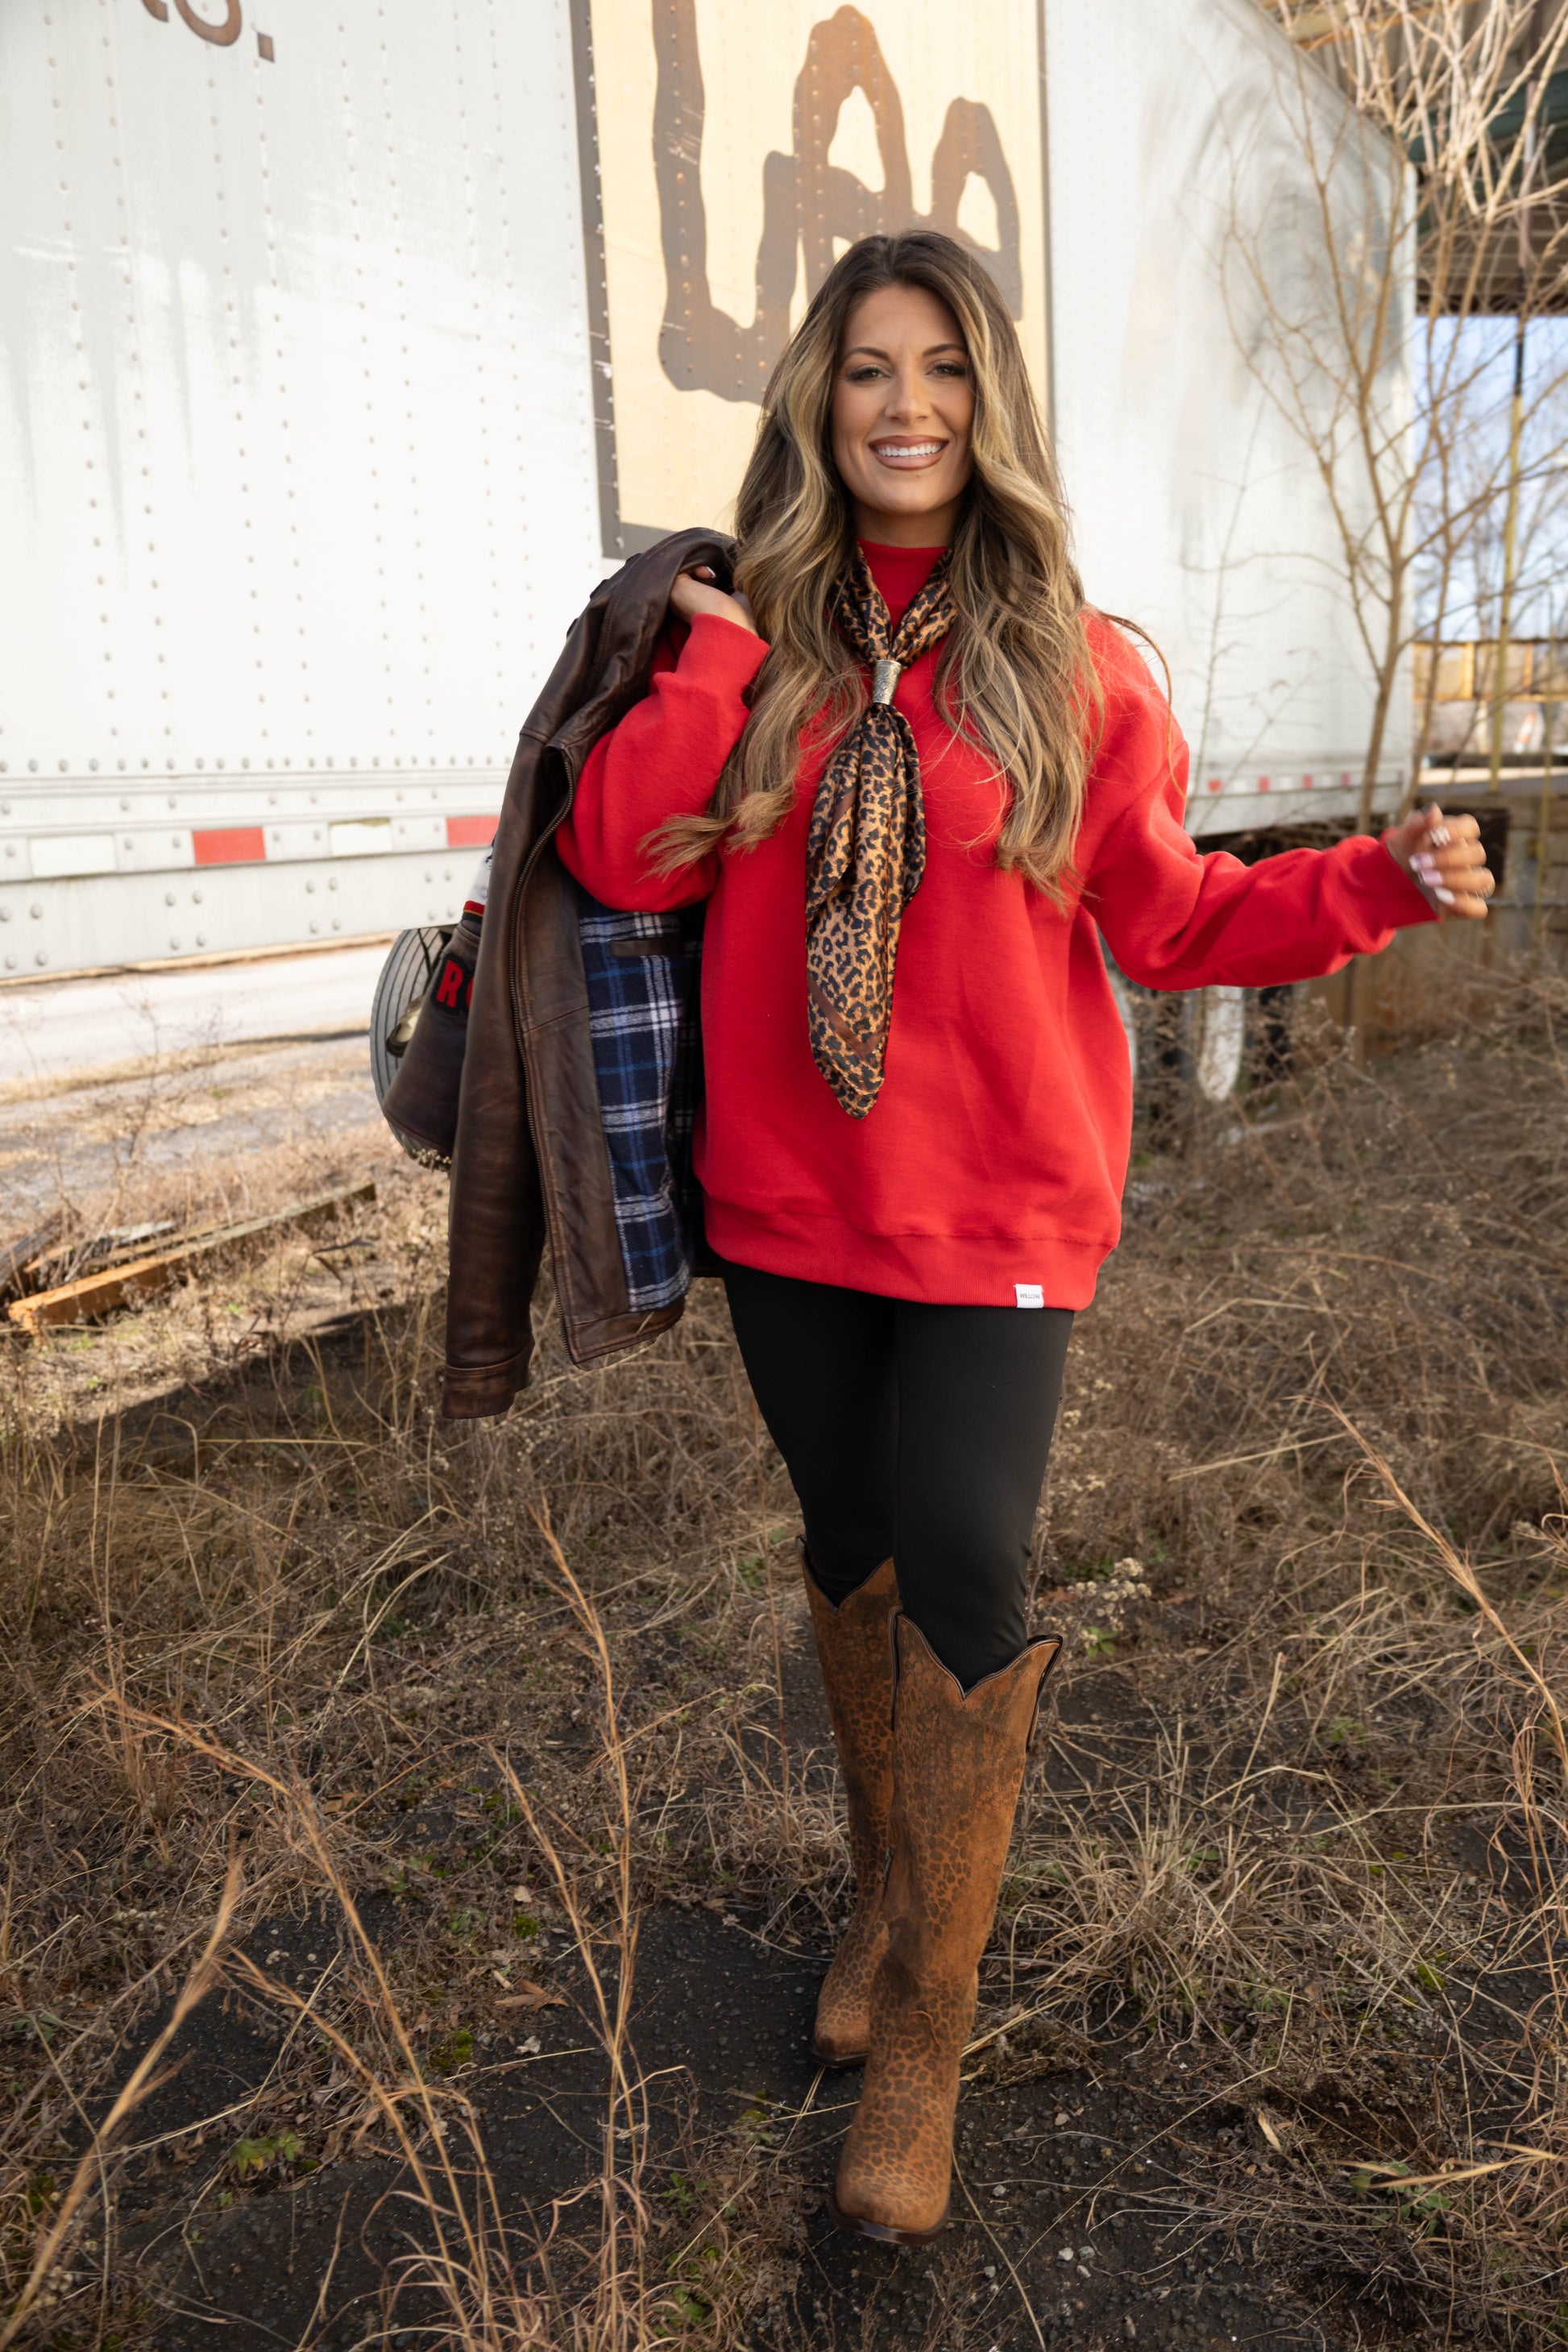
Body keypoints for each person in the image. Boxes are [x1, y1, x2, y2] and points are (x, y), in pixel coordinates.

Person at [552, 230, 1493, 2245]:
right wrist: (713, 645)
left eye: (941, 368)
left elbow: (1173, 917)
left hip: (997, 1211)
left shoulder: (1076, 661)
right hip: (791, 1203)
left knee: (968, 1562)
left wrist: (1374, 883)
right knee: (850, 1545)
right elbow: (622, 850)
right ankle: (888, 1894)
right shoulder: (747, 640)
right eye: (866, 369)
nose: (904, 406)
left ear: (989, 399)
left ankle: (925, 2035)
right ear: (818, 401)